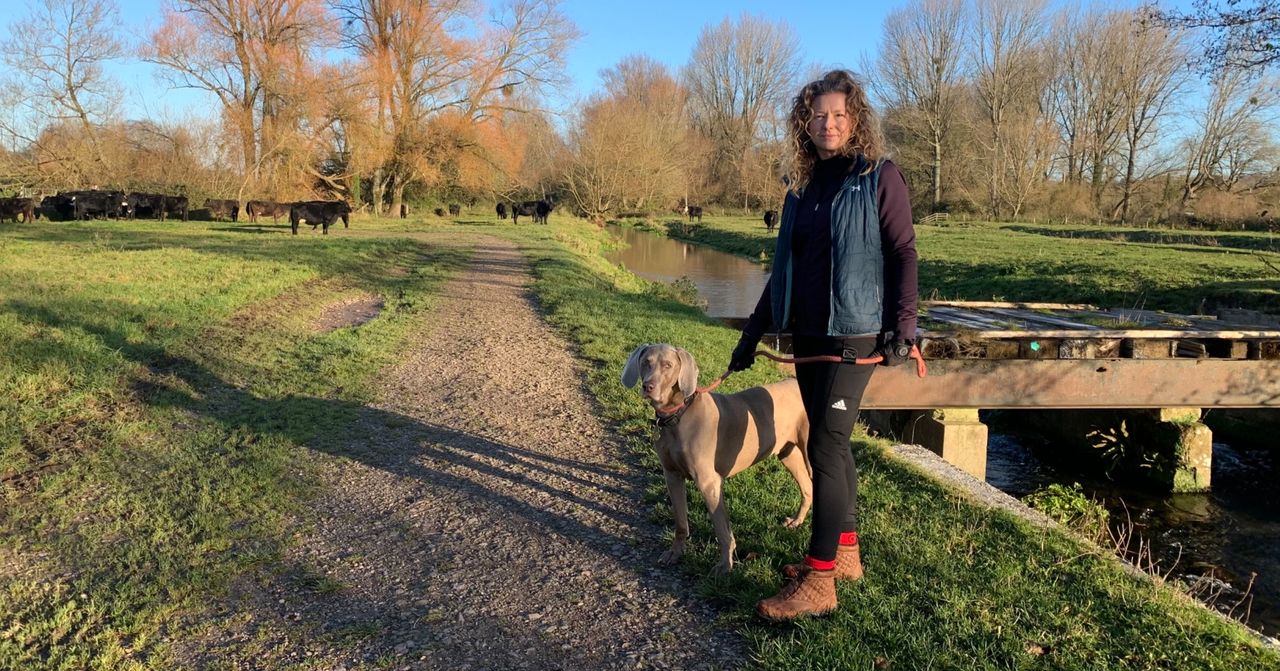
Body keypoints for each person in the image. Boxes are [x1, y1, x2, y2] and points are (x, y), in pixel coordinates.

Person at [729, 69, 918, 621]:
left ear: (854, 118)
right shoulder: (802, 188)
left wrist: (904, 328)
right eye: (817, 115)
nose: (827, 124)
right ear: (803, 122)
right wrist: (750, 338)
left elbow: (903, 251)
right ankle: (847, 553)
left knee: (827, 447)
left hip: (855, 335)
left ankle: (819, 581)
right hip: (809, 334)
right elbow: (781, 274)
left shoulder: (878, 177)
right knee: (829, 446)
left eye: (837, 114)